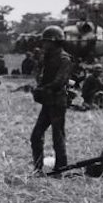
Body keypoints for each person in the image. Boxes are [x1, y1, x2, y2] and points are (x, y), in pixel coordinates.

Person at [30, 25, 73, 174]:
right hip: (48, 102)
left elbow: (59, 81)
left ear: (55, 42)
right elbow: (41, 77)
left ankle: (60, 168)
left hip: (57, 102)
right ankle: (38, 168)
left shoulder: (64, 59)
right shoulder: (47, 58)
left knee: (57, 136)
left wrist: (42, 89)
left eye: (46, 42)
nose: (44, 44)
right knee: (36, 135)